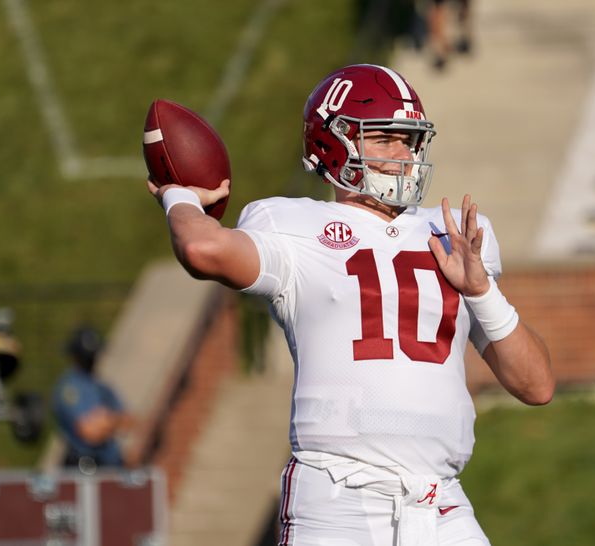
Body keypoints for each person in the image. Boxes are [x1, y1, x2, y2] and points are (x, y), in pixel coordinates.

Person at [148, 64, 553, 545]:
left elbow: (537, 385)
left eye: (411, 139)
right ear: (333, 145)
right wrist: (180, 195)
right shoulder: (291, 224)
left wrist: (483, 293)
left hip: (441, 501)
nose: (405, 154)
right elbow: (202, 250)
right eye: (385, 139)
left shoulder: (455, 236)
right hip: (338, 498)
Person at [52, 325, 133, 470]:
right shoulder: (69, 388)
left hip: (110, 465)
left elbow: (129, 421)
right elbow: (88, 432)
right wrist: (110, 421)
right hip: (84, 467)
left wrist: (106, 420)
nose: (92, 359)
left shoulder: (101, 386)